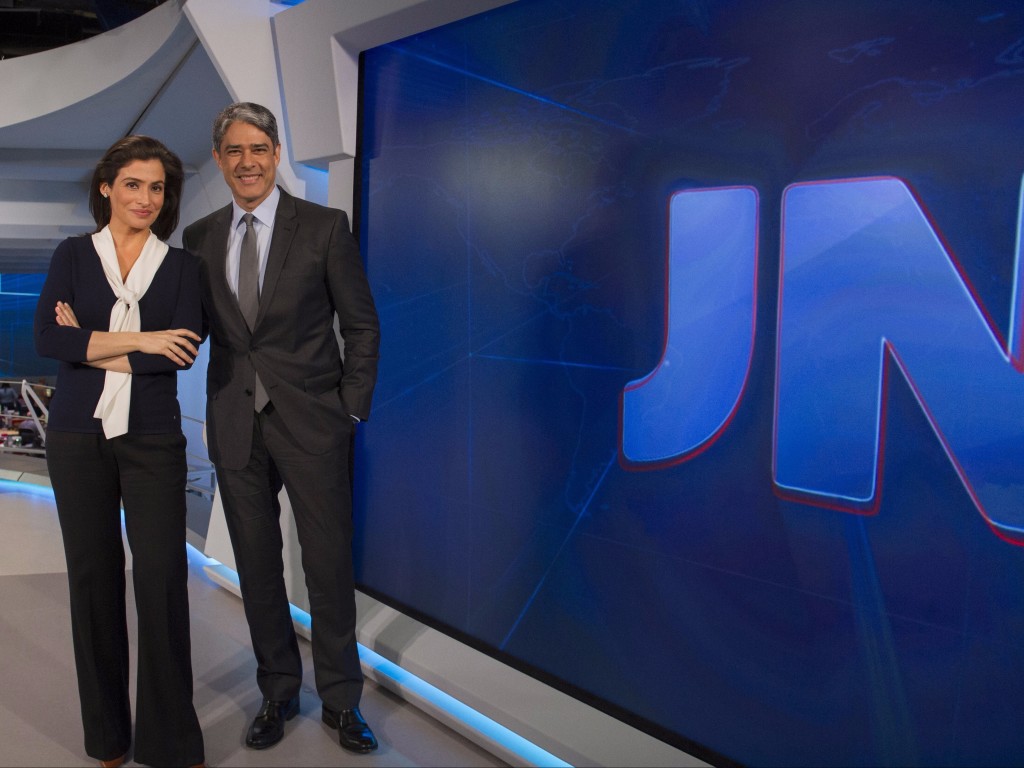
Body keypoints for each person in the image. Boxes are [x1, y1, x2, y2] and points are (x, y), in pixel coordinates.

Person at [182, 102, 380, 754]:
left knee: (326, 567)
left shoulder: (325, 227)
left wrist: (350, 409)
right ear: (220, 159)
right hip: (238, 427)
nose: (246, 161)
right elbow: (196, 331)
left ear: (274, 154)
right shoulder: (201, 236)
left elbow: (361, 326)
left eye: (259, 148)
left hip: (315, 425)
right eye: (234, 150)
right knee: (259, 569)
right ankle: (277, 691)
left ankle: (343, 702)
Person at [34, 135, 205, 768]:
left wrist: (92, 340)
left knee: (161, 580)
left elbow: (180, 350)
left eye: (157, 188)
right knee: (93, 582)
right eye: (134, 184)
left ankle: (170, 744)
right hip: (77, 435)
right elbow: (50, 338)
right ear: (107, 187)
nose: (146, 198)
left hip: (153, 438)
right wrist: (143, 340)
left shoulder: (185, 268)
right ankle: (108, 738)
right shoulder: (72, 255)